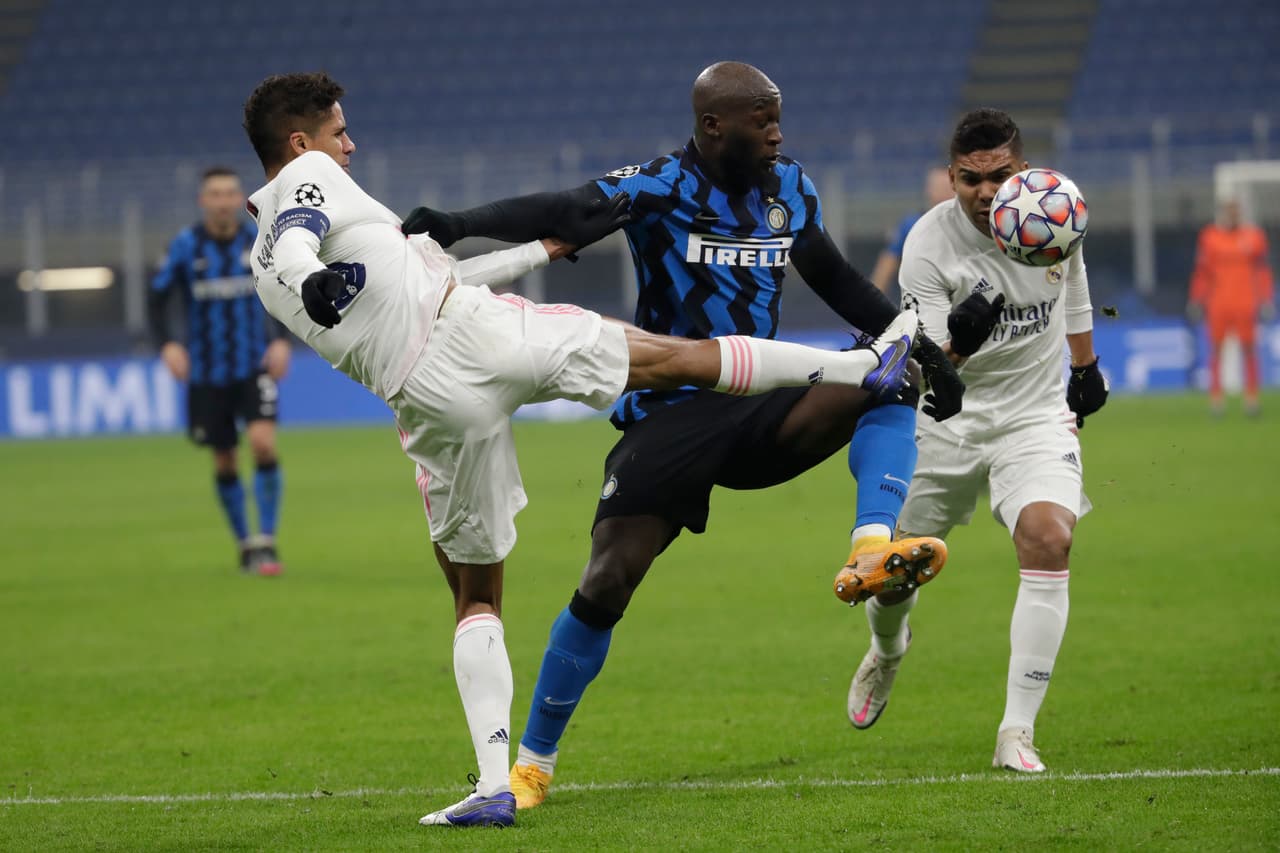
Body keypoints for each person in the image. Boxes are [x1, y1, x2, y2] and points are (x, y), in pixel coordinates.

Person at [241, 71, 921, 829]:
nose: (350, 144)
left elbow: (417, 275)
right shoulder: (310, 180)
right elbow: (300, 241)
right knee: (672, 360)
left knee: (475, 597)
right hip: (482, 337)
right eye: (339, 132)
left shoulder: (258, 267)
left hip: (428, 404)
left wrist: (532, 247)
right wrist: (314, 275)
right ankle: (865, 364)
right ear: (299, 143)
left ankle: (497, 782)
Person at [401, 61, 965, 808]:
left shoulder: (790, 189)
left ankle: (870, 548)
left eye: (778, 118)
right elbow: (566, 208)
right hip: (673, 409)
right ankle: (531, 766)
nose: (777, 134)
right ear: (713, 126)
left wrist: (921, 345)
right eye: (763, 121)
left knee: (889, 375)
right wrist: (460, 222)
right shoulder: (663, 184)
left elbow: (837, 281)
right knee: (607, 579)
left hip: (765, 398)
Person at [843, 108, 1110, 774]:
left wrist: (1084, 366)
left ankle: (1016, 732)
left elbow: (1074, 282)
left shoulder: (1053, 210)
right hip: (945, 421)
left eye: (1000, 176)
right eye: (971, 179)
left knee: (1049, 537)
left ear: (1022, 169)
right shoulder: (928, 244)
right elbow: (934, 373)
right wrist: (961, 340)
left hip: (1033, 415)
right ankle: (889, 649)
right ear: (953, 176)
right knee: (891, 574)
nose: (987, 192)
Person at [149, 166, 290, 575]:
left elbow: (285, 286)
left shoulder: (258, 240)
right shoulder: (185, 245)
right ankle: (245, 543)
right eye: (215, 194)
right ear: (203, 201)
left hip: (253, 365)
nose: (224, 201)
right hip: (207, 373)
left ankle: (267, 540)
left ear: (240, 198)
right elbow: (156, 298)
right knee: (225, 458)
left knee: (263, 444)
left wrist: (282, 339)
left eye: (230, 193)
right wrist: (168, 344)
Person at [1187, 197, 1274, 416]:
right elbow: (1202, 272)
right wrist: (1196, 299)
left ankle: (1251, 398)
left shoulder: (1254, 237)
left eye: (1236, 211)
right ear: (1223, 214)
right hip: (1218, 302)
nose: (1233, 215)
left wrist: (1266, 299)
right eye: (1229, 211)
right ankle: (1217, 399)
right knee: (1216, 350)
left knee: (1249, 349)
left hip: (1245, 302)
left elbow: (1262, 271)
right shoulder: (1210, 237)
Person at [869, 165, 954, 298]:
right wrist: (872, 301)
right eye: (938, 188)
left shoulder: (970, 224)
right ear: (928, 190)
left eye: (947, 188)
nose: (943, 194)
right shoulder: (911, 225)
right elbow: (887, 263)